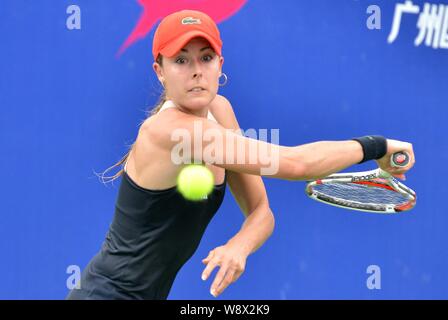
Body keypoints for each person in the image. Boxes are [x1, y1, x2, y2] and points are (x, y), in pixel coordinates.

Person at [66, 9, 415, 300]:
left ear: (220, 64)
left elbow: (262, 213)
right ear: (160, 72)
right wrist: (377, 146)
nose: (196, 70)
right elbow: (297, 164)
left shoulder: (220, 110)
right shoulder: (169, 131)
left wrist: (239, 246)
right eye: (181, 60)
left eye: (206, 58)